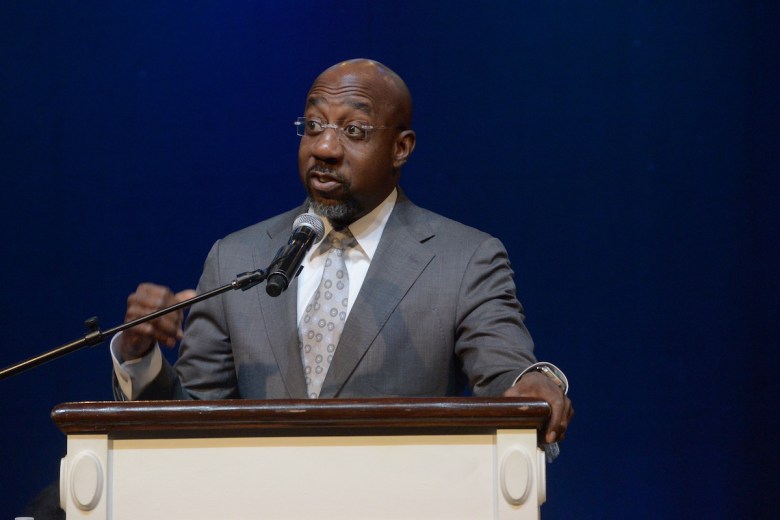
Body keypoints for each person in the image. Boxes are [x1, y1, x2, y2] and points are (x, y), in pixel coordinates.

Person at [111, 58, 573, 446]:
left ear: (400, 148)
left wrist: (536, 382)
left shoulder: (464, 259)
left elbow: (508, 375)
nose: (325, 147)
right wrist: (140, 355)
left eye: (354, 130)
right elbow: (186, 423)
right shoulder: (235, 258)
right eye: (313, 126)